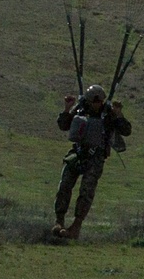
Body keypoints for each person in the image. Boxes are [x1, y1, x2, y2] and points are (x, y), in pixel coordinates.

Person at [51, 83, 131, 241]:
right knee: (64, 185)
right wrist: (67, 109)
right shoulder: (80, 109)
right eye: (93, 101)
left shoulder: (109, 114)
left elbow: (126, 130)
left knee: (86, 192)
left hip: (96, 158)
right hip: (78, 153)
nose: (96, 104)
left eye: (98, 101)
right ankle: (59, 221)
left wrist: (119, 114)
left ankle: (76, 227)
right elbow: (63, 125)